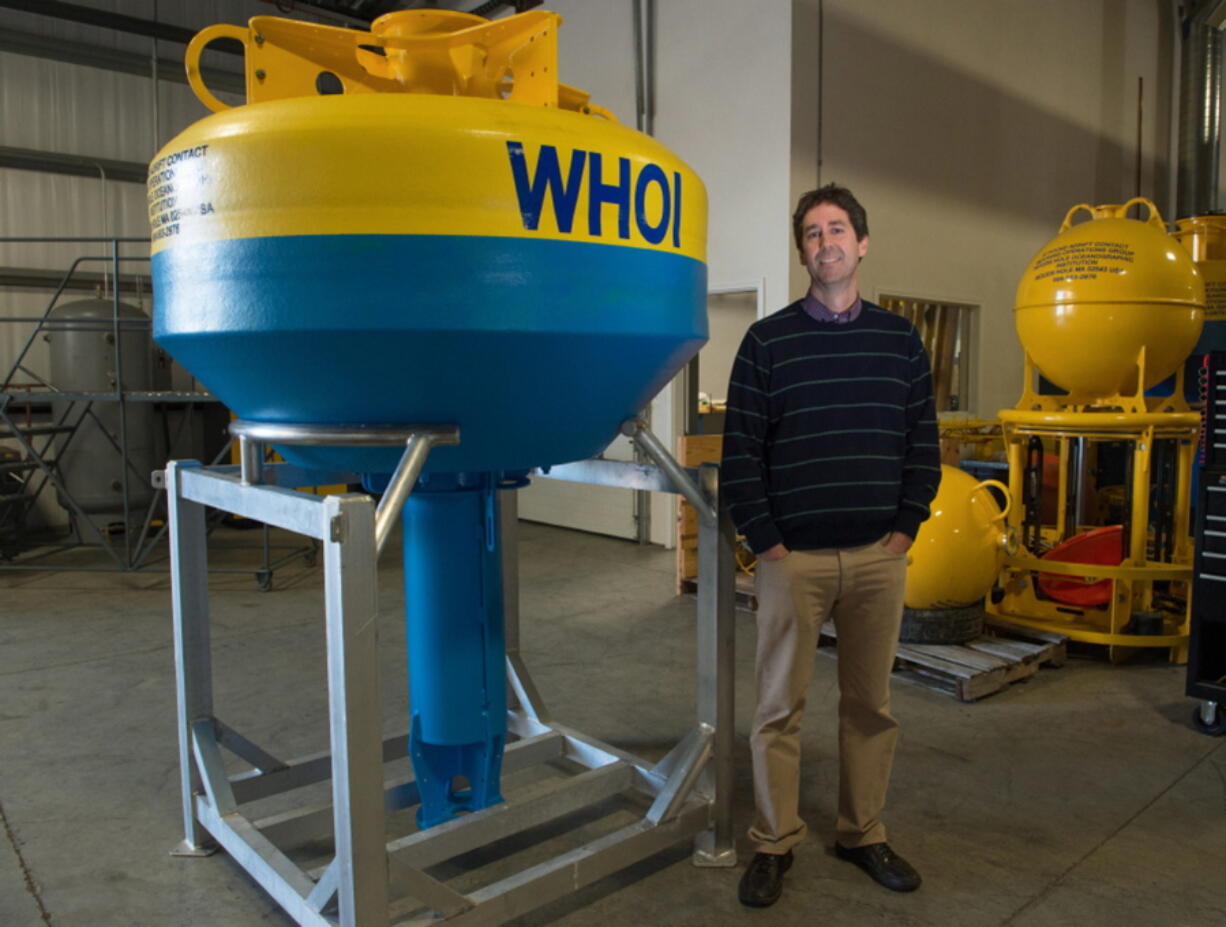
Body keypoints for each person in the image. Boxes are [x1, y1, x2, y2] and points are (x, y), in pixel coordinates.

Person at [720, 184, 940, 906]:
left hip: (879, 556)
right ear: (803, 251)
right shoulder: (768, 342)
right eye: (812, 233)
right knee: (778, 707)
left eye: (837, 229)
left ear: (863, 242)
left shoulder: (900, 341)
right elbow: (741, 452)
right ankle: (774, 840)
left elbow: (923, 445)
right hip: (796, 561)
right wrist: (769, 541)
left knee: (870, 704)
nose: (826, 243)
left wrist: (905, 527)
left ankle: (861, 832)